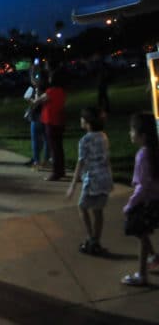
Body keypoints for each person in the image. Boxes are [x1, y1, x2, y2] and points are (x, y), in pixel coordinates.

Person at [65, 106, 113, 255]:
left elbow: (80, 163)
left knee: (82, 207)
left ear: (87, 122)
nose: (80, 120)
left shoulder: (84, 140)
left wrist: (72, 185)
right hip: (104, 178)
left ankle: (91, 238)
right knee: (98, 211)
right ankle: (96, 241)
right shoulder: (103, 136)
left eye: (82, 118)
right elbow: (107, 158)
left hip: (92, 179)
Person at [121, 113, 159, 286]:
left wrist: (130, 205)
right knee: (142, 231)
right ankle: (154, 257)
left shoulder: (143, 155)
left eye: (132, 130)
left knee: (140, 233)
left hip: (146, 202)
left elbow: (142, 186)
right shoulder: (153, 151)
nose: (130, 133)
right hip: (154, 200)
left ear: (142, 135)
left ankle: (142, 275)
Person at [34, 70, 67, 181]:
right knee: (59, 148)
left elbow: (37, 101)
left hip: (51, 122)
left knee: (54, 148)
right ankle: (61, 170)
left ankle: (56, 173)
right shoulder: (62, 91)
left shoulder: (50, 91)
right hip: (60, 121)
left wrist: (34, 96)